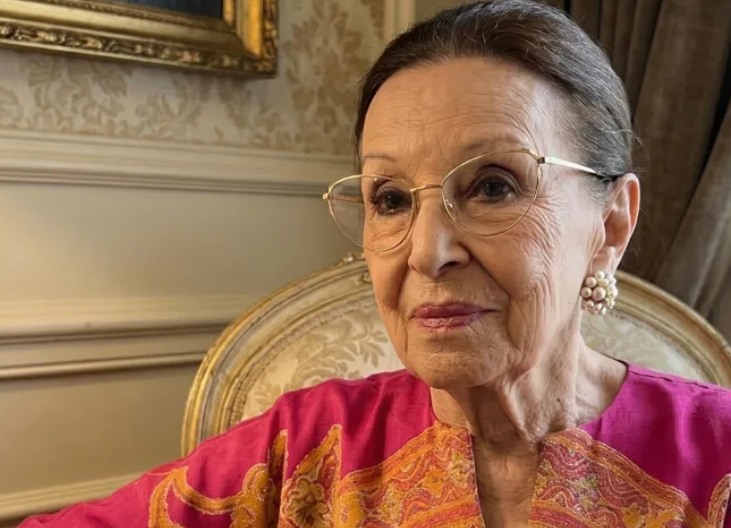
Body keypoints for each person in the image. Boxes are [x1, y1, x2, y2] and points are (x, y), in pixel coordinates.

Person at [20, 0, 731, 526]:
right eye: (389, 199)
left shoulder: (716, 457)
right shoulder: (303, 451)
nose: (426, 251)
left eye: (492, 187)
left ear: (610, 224)